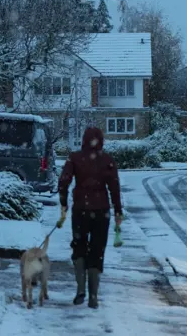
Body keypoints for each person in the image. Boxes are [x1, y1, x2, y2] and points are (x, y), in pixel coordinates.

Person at [57, 126, 123, 309]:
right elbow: (114, 188)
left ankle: (80, 289)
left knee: (79, 247)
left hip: (80, 211)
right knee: (97, 250)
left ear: (84, 140)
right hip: (101, 211)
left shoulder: (75, 158)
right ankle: (93, 295)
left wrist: (64, 202)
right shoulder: (107, 160)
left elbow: (64, 181)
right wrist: (118, 211)